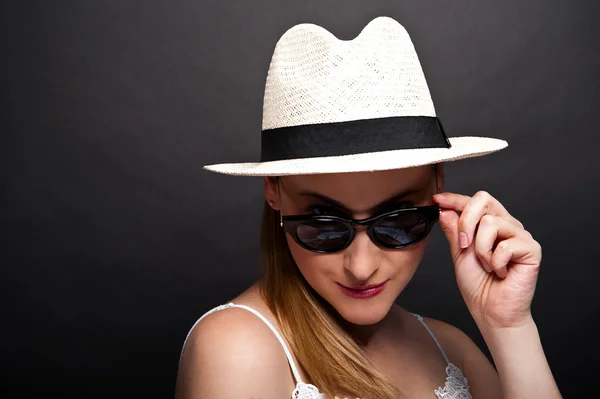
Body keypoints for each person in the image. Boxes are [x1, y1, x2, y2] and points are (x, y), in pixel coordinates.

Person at [175, 16, 562, 399]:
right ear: (273, 192)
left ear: (438, 185)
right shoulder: (237, 350)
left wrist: (509, 329)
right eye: (324, 227)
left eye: (398, 222)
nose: (362, 267)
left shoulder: (453, 349)